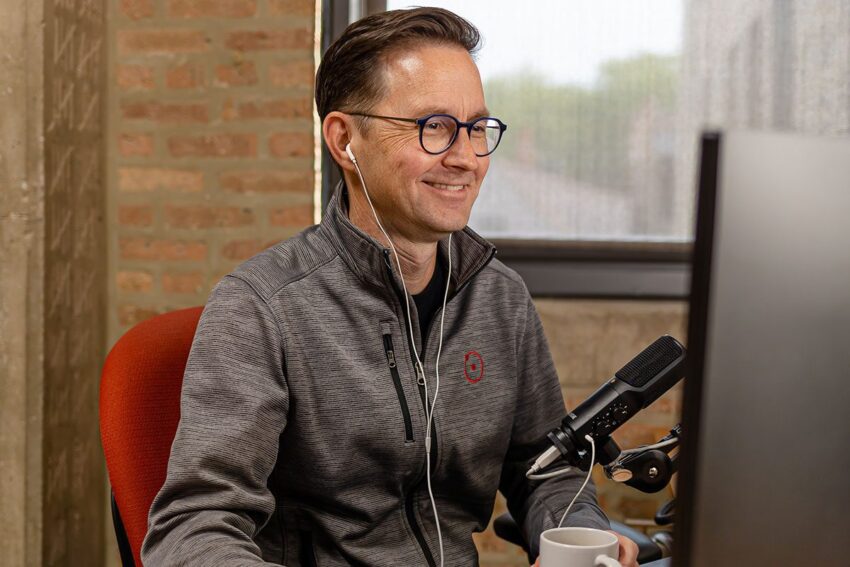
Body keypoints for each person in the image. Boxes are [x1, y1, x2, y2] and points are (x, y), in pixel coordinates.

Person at [142, 7, 638, 567]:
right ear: (345, 139)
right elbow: (195, 526)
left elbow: (544, 470)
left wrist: (579, 532)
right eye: (434, 127)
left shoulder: (501, 299)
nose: (466, 158)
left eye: (477, 128)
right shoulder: (262, 307)